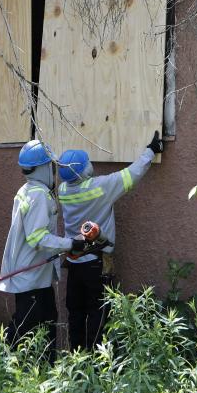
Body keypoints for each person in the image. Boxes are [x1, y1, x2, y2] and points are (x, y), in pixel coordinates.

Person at [56, 130, 163, 350]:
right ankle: (95, 362)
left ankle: (76, 357)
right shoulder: (99, 187)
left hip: (74, 263)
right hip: (95, 264)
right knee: (98, 313)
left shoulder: (63, 189)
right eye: (87, 163)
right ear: (83, 171)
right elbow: (132, 174)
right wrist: (150, 151)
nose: (90, 165)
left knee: (75, 312)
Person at [0, 139, 84, 355]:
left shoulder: (27, 190)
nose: (54, 171)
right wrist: (70, 244)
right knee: (26, 327)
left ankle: (45, 368)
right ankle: (4, 366)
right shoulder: (38, 195)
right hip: (31, 278)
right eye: (51, 166)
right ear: (44, 167)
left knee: (46, 321)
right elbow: (38, 238)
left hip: (34, 277)